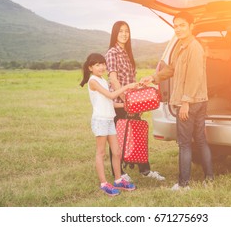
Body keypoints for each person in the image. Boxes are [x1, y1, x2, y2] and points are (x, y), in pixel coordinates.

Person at [140, 11, 214, 190]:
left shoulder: (194, 48)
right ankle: (209, 179)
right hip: (196, 100)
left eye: (182, 25)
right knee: (200, 140)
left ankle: (183, 185)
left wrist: (186, 103)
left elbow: (195, 77)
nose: (178, 29)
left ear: (191, 26)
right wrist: (153, 77)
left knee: (184, 143)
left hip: (190, 101)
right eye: (176, 25)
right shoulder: (181, 46)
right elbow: (172, 69)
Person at [105, 20, 165, 181]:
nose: (124, 34)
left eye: (126, 31)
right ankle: (119, 173)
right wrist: (128, 100)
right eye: (120, 31)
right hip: (120, 102)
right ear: (115, 34)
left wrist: (138, 95)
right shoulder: (112, 53)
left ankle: (145, 170)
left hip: (132, 101)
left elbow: (130, 78)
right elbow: (114, 80)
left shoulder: (127, 52)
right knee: (118, 138)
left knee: (137, 133)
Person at [80, 53, 137, 196]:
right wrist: (128, 86)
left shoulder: (102, 80)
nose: (102, 67)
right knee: (101, 152)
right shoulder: (93, 81)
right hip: (100, 120)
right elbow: (111, 95)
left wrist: (126, 105)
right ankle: (104, 184)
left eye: (103, 64)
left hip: (109, 119)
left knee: (117, 152)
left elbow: (110, 102)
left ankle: (118, 180)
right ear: (90, 67)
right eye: (97, 65)